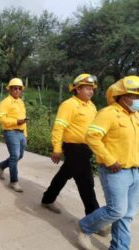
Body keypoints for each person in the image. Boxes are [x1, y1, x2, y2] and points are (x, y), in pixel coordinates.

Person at [77, 76, 139, 250]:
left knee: (127, 215)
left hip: (135, 171)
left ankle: (119, 247)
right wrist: (109, 159)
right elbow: (92, 136)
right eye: (134, 96)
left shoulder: (135, 116)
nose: (137, 100)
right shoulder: (109, 113)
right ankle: (85, 226)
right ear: (121, 95)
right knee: (117, 210)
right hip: (115, 170)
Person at [41, 74, 102, 216]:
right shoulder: (69, 105)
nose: (91, 91)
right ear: (77, 89)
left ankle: (47, 199)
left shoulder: (92, 106)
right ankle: (94, 218)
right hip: (74, 148)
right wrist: (56, 149)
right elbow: (58, 127)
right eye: (87, 88)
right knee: (86, 183)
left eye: (92, 88)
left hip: (87, 149)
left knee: (64, 175)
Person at [0, 78, 27, 192]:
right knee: (15, 155)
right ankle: (14, 181)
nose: (17, 90)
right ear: (9, 89)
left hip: (21, 132)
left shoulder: (21, 102)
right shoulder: (5, 102)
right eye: (15, 88)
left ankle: (1, 166)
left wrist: (25, 134)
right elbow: (0, 118)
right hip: (10, 132)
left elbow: (24, 119)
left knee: (20, 156)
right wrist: (15, 122)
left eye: (19, 88)